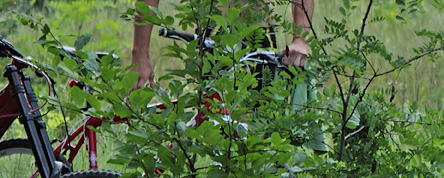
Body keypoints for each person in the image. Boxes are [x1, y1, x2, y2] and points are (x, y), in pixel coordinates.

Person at [132, 0, 315, 88]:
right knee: (217, 121)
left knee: (259, 133)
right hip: (216, 20)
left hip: (258, 26)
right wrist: (140, 54)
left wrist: (300, 39)